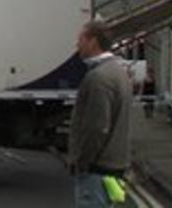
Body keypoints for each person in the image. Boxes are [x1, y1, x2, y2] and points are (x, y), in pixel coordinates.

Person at [69, 20, 132, 207]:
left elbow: (96, 127)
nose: (77, 44)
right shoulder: (119, 72)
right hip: (114, 166)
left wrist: (82, 162)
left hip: (97, 169)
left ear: (93, 41)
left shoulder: (98, 78)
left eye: (81, 39)